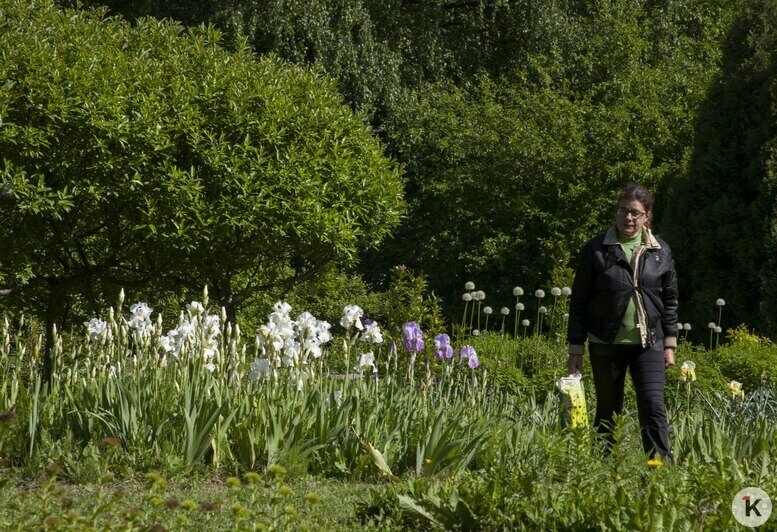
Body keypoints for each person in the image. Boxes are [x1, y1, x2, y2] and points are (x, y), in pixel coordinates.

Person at [566, 182, 677, 463]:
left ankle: (660, 468)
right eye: (623, 211)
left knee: (653, 405)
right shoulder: (596, 249)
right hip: (605, 342)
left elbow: (670, 300)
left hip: (648, 342)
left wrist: (669, 344)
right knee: (607, 409)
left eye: (636, 213)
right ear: (616, 213)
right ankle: (605, 468)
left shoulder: (660, 251)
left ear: (647, 216)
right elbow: (579, 300)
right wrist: (575, 348)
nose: (629, 218)